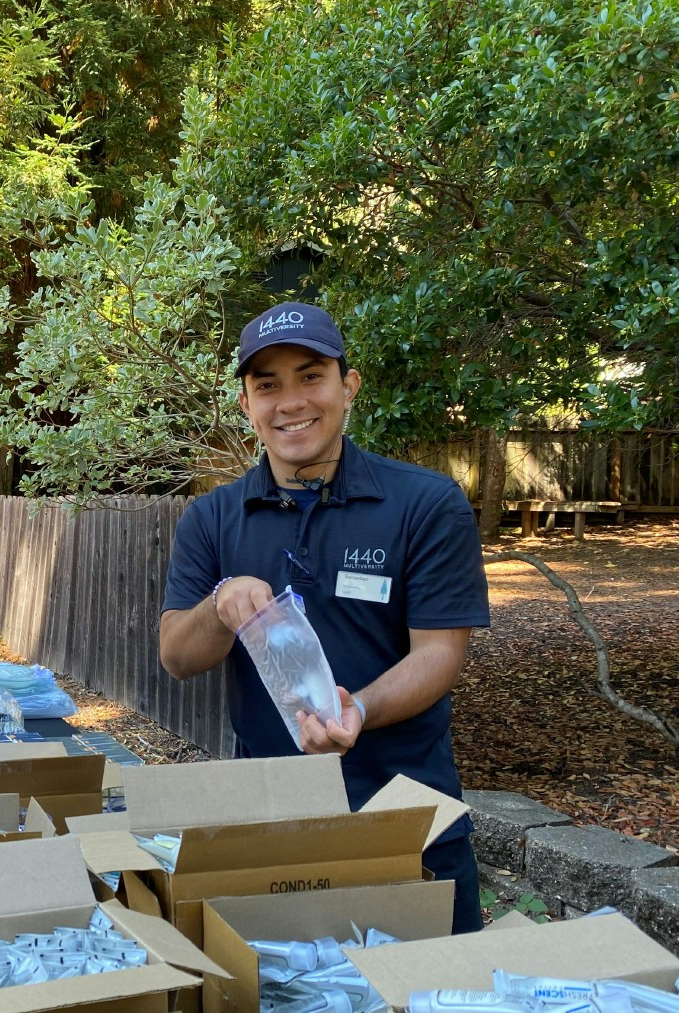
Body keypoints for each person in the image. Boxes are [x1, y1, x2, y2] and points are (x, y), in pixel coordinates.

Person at [159, 301, 489, 934]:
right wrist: (221, 605)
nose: (291, 402)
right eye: (268, 385)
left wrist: (356, 709)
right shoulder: (213, 519)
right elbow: (176, 656)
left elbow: (440, 653)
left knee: (440, 1010)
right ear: (246, 404)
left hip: (410, 808)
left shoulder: (424, 504)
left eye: (311, 376)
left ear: (348, 386)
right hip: (272, 819)